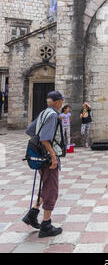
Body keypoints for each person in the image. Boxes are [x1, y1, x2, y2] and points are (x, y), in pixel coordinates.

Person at [24, 90, 65, 238]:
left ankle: (33, 213)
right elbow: (44, 139)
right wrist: (52, 156)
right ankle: (46, 225)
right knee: (52, 189)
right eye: (61, 101)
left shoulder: (44, 113)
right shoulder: (53, 115)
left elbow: (30, 130)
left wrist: (41, 148)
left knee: (46, 185)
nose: (62, 103)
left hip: (40, 157)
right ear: (57, 102)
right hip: (48, 158)